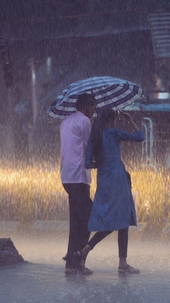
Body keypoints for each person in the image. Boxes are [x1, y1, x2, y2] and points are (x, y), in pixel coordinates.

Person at [74, 108, 145, 274]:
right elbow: (141, 136)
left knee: (111, 220)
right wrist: (130, 120)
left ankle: (88, 250)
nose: (115, 123)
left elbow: (87, 163)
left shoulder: (95, 137)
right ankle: (119, 262)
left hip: (104, 181)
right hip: (118, 181)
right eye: (114, 120)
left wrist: (102, 163)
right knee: (122, 220)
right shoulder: (114, 133)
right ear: (110, 121)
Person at [59, 93, 96, 275]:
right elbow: (89, 148)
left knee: (77, 220)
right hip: (79, 176)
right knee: (86, 220)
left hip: (66, 176)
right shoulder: (84, 122)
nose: (94, 112)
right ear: (88, 106)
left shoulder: (65, 122)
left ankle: (72, 263)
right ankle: (77, 261)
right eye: (94, 109)